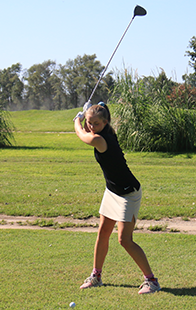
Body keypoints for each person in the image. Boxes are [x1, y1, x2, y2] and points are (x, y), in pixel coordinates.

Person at [73, 101, 161, 295]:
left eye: (96, 123)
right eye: (90, 122)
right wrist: (87, 114)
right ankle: (96, 276)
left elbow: (81, 135)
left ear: (105, 123)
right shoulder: (103, 131)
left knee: (124, 240)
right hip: (112, 191)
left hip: (128, 193)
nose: (91, 127)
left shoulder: (100, 140)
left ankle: (152, 281)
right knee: (103, 233)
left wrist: (77, 121)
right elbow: (95, 119)